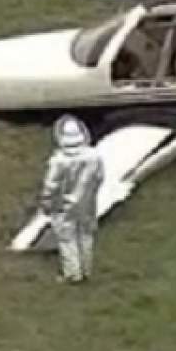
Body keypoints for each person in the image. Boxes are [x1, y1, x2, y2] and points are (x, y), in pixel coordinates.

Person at [38, 115, 104, 283]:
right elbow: (99, 178)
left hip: (62, 206)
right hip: (87, 204)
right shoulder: (94, 156)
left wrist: (46, 204)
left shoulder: (58, 160)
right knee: (86, 236)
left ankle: (73, 274)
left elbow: (50, 185)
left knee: (67, 240)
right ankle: (86, 270)